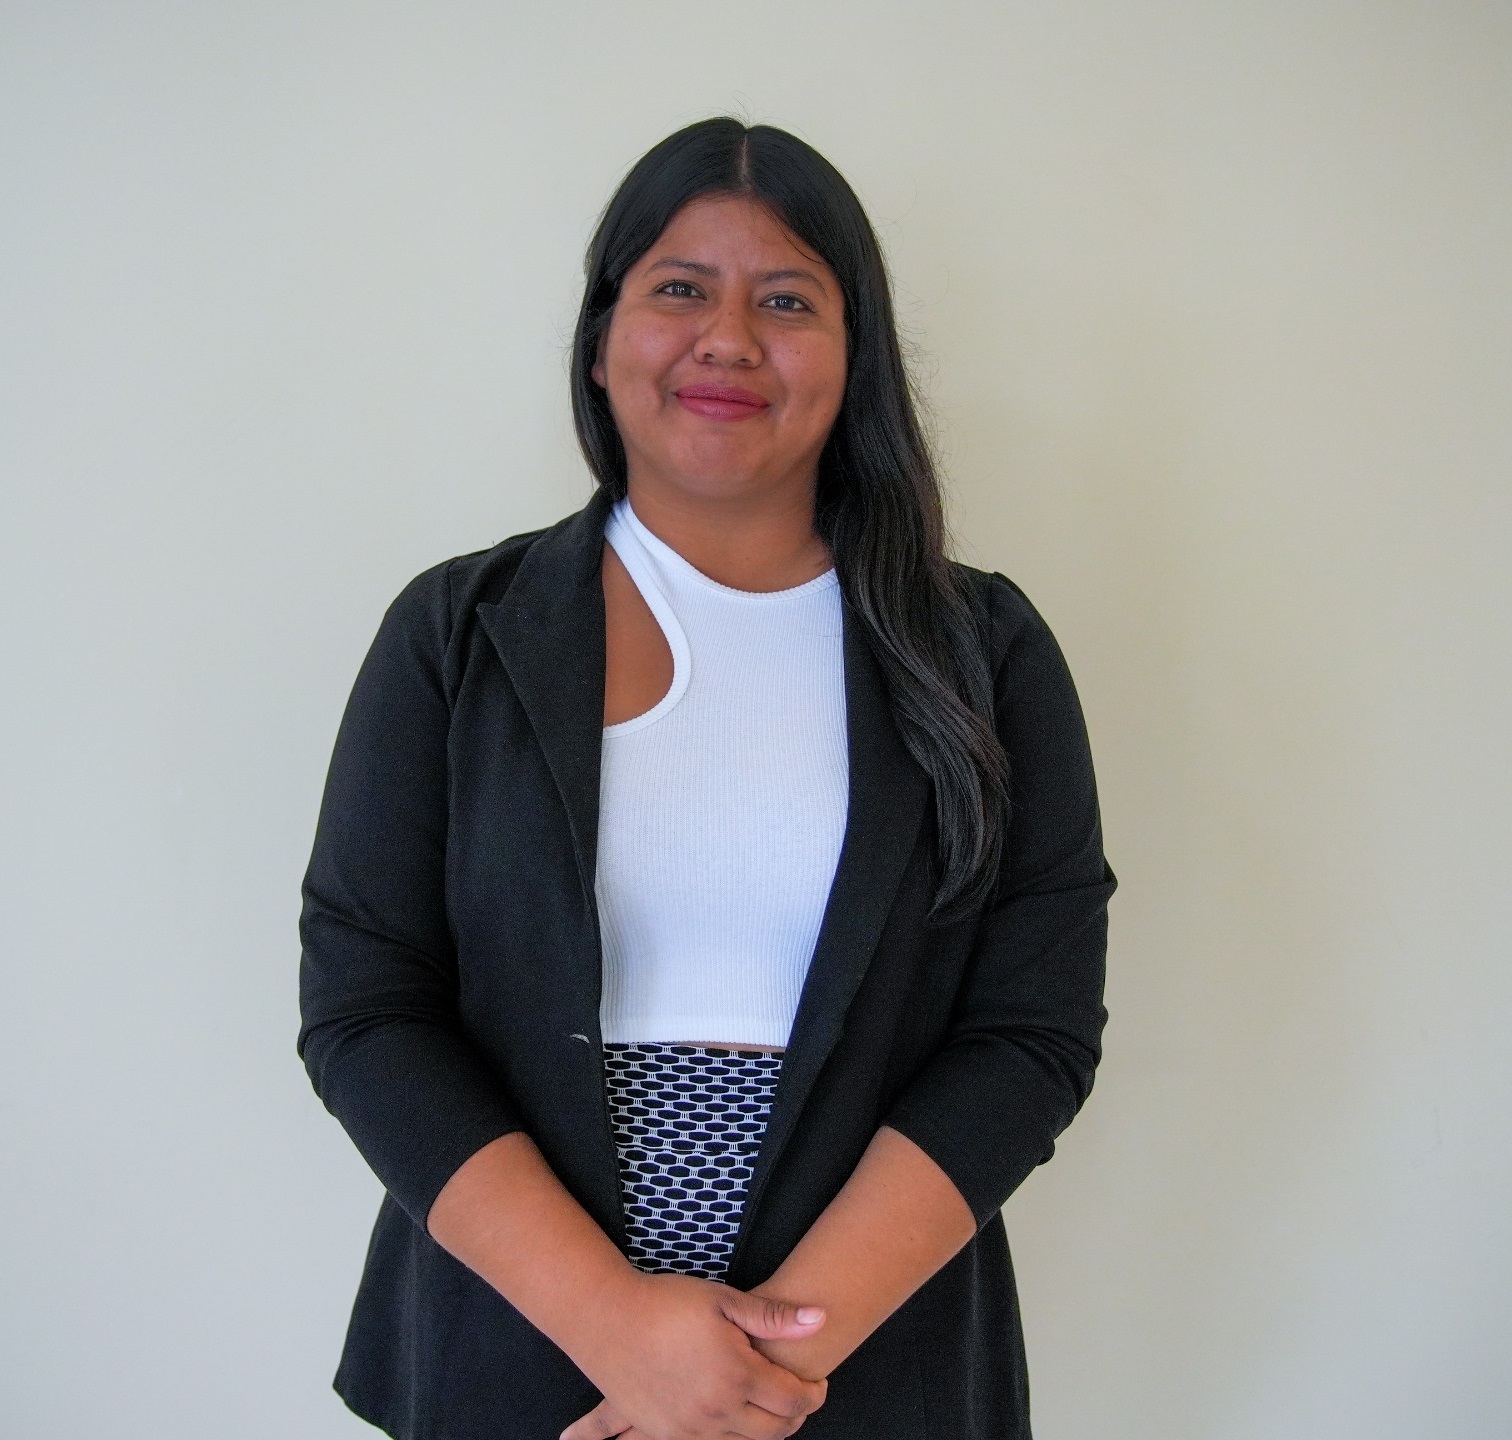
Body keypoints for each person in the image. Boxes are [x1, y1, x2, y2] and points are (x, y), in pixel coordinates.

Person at [297, 116, 1115, 1440]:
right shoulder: (456, 634)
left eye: (787, 301)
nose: (728, 339)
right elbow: (367, 1005)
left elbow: (1030, 1032)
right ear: (602, 337)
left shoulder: (986, 653)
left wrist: (761, 1367)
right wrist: (621, 1333)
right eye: (679, 289)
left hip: (863, 1370)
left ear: (856, 356)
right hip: (519, 1355)